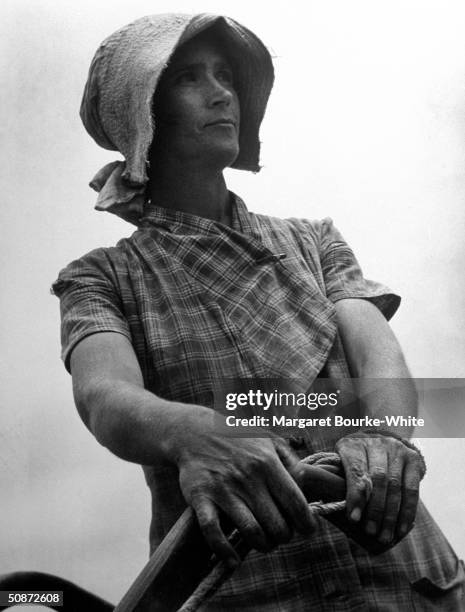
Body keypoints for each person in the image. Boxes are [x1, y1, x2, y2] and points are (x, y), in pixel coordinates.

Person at [52, 13, 464, 610]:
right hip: (245, 588)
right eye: (190, 78)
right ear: (141, 114)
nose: (222, 93)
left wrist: (380, 437)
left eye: (226, 75)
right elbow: (104, 396)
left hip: (400, 575)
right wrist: (197, 433)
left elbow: (378, 355)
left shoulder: (313, 240)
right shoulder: (100, 276)